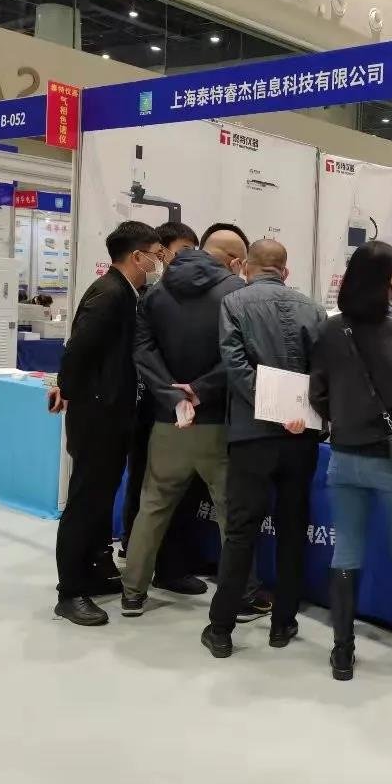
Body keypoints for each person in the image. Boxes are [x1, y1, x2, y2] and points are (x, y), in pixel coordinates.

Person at [309, 241, 392, 683]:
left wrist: (346, 421)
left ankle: (342, 654)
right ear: (391, 278)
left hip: (344, 456)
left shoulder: (331, 329)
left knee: (345, 552)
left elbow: (318, 394)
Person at [121, 226, 259, 617]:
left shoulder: (155, 293)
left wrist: (173, 395)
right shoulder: (236, 292)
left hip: (168, 421)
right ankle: (241, 597)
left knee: (152, 507)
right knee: (231, 515)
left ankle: (132, 593)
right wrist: (200, 390)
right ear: (234, 260)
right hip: (218, 422)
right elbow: (241, 356)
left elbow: (142, 351)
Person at [201, 239, 327, 659]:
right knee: (292, 531)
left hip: (251, 436)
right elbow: (322, 373)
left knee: (240, 532)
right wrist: (298, 412)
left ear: (246, 268)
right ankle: (283, 623)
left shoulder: (233, 303)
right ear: (285, 271)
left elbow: (235, 366)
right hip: (300, 437)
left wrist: (272, 407)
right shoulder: (313, 309)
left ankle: (221, 629)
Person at [51, 221, 164, 626]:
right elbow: (80, 348)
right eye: (156, 254)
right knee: (84, 503)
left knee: (98, 502)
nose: (160, 262)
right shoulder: (110, 293)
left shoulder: (126, 293)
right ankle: (69, 592)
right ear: (137, 256)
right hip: (97, 416)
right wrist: (67, 388)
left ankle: (90, 574)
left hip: (111, 412)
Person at [119, 220, 200, 570]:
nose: (191, 259)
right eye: (184, 251)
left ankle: (148, 555)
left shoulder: (187, 297)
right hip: (152, 404)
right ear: (162, 253)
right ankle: (135, 549)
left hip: (178, 405)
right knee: (143, 480)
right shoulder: (151, 297)